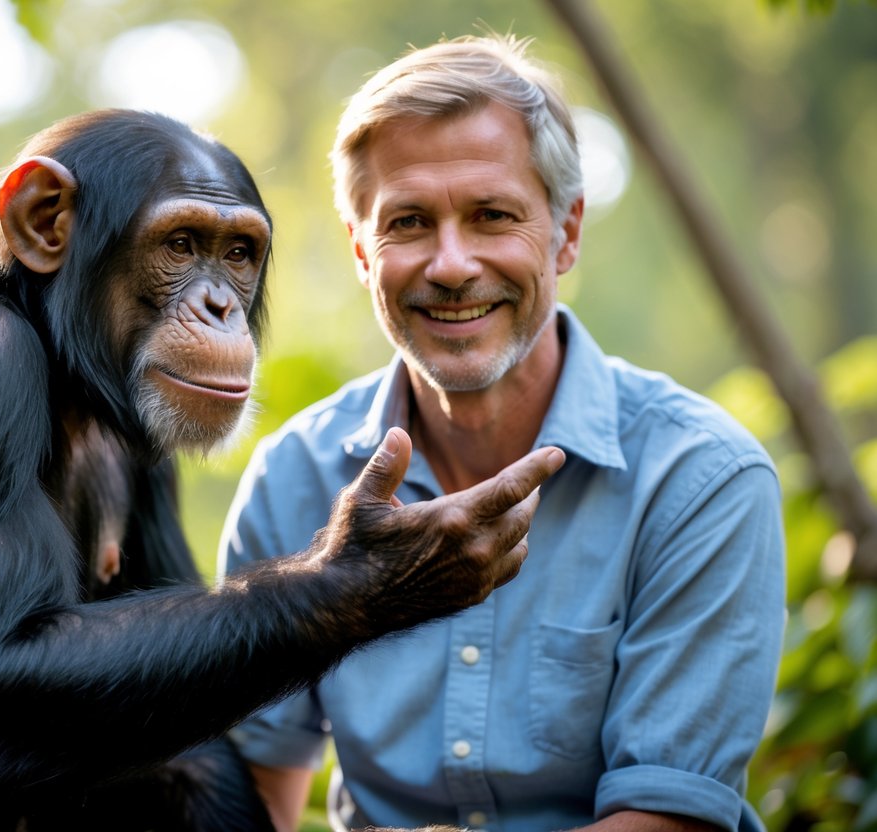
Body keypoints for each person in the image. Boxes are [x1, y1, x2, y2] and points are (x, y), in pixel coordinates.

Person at [218, 33, 785, 832]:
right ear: (358, 251)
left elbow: (669, 820)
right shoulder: (292, 480)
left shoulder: (699, 479)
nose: (450, 264)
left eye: (491, 216)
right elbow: (254, 799)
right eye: (408, 222)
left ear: (566, 232)